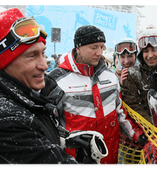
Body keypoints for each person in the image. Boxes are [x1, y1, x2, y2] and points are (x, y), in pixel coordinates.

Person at [0, 8, 79, 164]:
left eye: (43, 53)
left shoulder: (24, 96)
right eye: (31, 56)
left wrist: (65, 141)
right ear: (5, 63)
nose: (44, 65)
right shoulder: (3, 121)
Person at [48, 25, 147, 165]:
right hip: (76, 160)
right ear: (78, 48)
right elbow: (48, 125)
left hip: (110, 157)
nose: (99, 52)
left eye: (102, 47)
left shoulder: (110, 77)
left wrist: (137, 135)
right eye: (94, 47)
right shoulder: (57, 80)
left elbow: (120, 113)